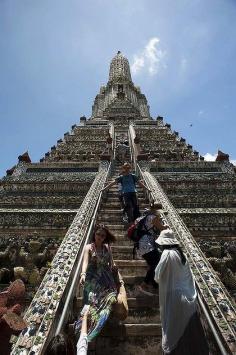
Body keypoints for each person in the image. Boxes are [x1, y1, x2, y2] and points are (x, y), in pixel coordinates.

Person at [155, 229, 209, 355]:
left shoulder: (167, 254)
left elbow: (158, 275)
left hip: (173, 297)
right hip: (187, 298)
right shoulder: (181, 254)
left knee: (172, 331)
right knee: (186, 333)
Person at [75, 225, 122, 341]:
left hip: (106, 279)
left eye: (102, 235)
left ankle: (99, 324)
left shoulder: (107, 248)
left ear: (105, 237)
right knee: (91, 303)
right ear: (94, 234)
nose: (100, 237)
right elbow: (85, 262)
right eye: (98, 234)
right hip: (92, 280)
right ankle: (86, 330)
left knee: (111, 299)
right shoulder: (88, 247)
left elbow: (111, 264)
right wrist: (83, 274)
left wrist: (118, 277)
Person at [137, 203, 168, 295]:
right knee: (156, 262)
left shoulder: (147, 216)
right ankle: (144, 284)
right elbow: (162, 228)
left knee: (153, 264)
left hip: (143, 244)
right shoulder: (153, 217)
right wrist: (165, 225)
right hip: (147, 244)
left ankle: (154, 285)